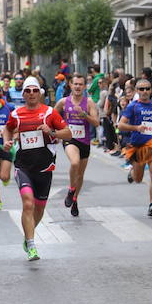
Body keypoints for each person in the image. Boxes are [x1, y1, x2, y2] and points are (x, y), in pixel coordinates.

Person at [2, 76, 72, 261]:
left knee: (39, 209)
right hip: (23, 166)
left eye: (35, 90)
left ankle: (28, 235)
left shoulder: (50, 113)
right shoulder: (16, 114)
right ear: (23, 94)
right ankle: (32, 246)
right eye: (28, 90)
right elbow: (7, 129)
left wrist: (51, 131)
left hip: (44, 167)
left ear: (39, 93)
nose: (31, 94)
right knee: (27, 202)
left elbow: (68, 134)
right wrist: (7, 142)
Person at [118, 79, 152, 216]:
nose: (144, 92)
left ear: (151, 90)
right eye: (141, 89)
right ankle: (132, 173)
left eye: (147, 89)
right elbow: (121, 125)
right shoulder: (133, 107)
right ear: (137, 91)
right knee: (138, 178)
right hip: (138, 145)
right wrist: (136, 127)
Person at [54, 72, 100, 217]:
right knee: (74, 163)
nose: (78, 86)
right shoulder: (63, 102)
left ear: (85, 86)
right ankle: (71, 189)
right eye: (75, 84)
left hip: (84, 141)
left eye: (81, 84)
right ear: (70, 85)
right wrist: (57, 132)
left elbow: (97, 123)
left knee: (80, 175)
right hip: (70, 139)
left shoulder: (89, 103)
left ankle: (74, 200)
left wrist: (84, 115)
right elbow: (52, 117)